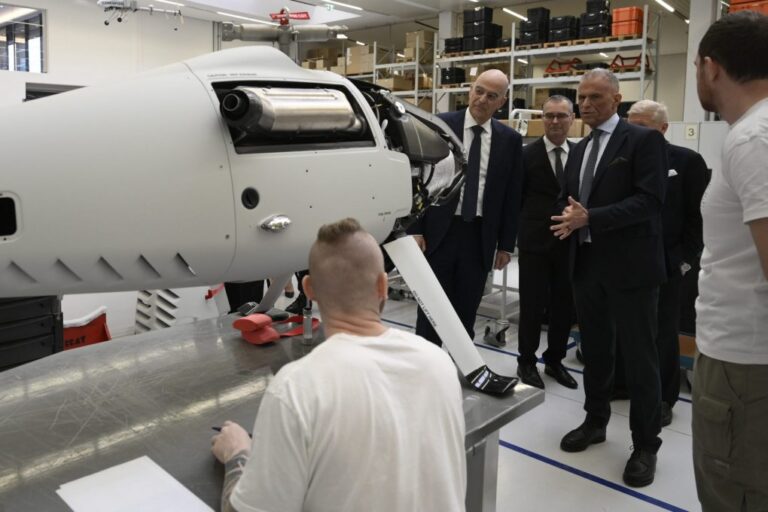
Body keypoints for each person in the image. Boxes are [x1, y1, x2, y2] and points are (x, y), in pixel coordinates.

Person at [211, 218, 467, 512]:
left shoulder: (296, 389)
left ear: (308, 289)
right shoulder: (438, 364)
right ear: (383, 285)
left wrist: (237, 454)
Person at [551, 68, 668, 487]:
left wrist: (591, 218)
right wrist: (567, 217)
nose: (586, 104)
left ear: (616, 100)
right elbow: (572, 200)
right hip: (587, 265)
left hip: (631, 269)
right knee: (596, 351)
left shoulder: (643, 141)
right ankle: (595, 420)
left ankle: (645, 444)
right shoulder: (580, 149)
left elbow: (650, 201)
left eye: (596, 97)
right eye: (581, 97)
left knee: (640, 359)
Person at [692, 11, 768, 511]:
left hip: (744, 367)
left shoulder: (753, 140)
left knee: (733, 494)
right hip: (747, 362)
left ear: (711, 67)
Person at [411, 69, 523, 346]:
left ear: (502, 102)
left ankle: (460, 363)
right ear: (470, 90)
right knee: (431, 308)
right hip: (439, 233)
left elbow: (512, 195)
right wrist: (416, 228)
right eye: (479, 91)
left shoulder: (509, 140)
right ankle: (427, 361)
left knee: (466, 309)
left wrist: (505, 245)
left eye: (492, 96)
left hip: (479, 236)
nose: (482, 99)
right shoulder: (440, 125)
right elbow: (419, 176)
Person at [623, 100, 709, 426]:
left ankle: (663, 397)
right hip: (627, 259)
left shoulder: (687, 162)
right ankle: (626, 384)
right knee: (627, 327)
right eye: (630, 126)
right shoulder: (622, 160)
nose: (633, 134)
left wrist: (684, 260)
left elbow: (697, 218)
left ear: (662, 129)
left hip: (666, 262)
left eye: (641, 127)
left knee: (663, 331)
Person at [516, 95, 578, 390]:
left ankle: (555, 360)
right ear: (542, 118)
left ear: (572, 118)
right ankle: (526, 361)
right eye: (549, 115)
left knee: (564, 306)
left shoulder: (580, 154)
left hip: (569, 242)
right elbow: (515, 198)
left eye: (561, 115)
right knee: (532, 305)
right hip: (535, 243)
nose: (555, 121)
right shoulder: (525, 155)